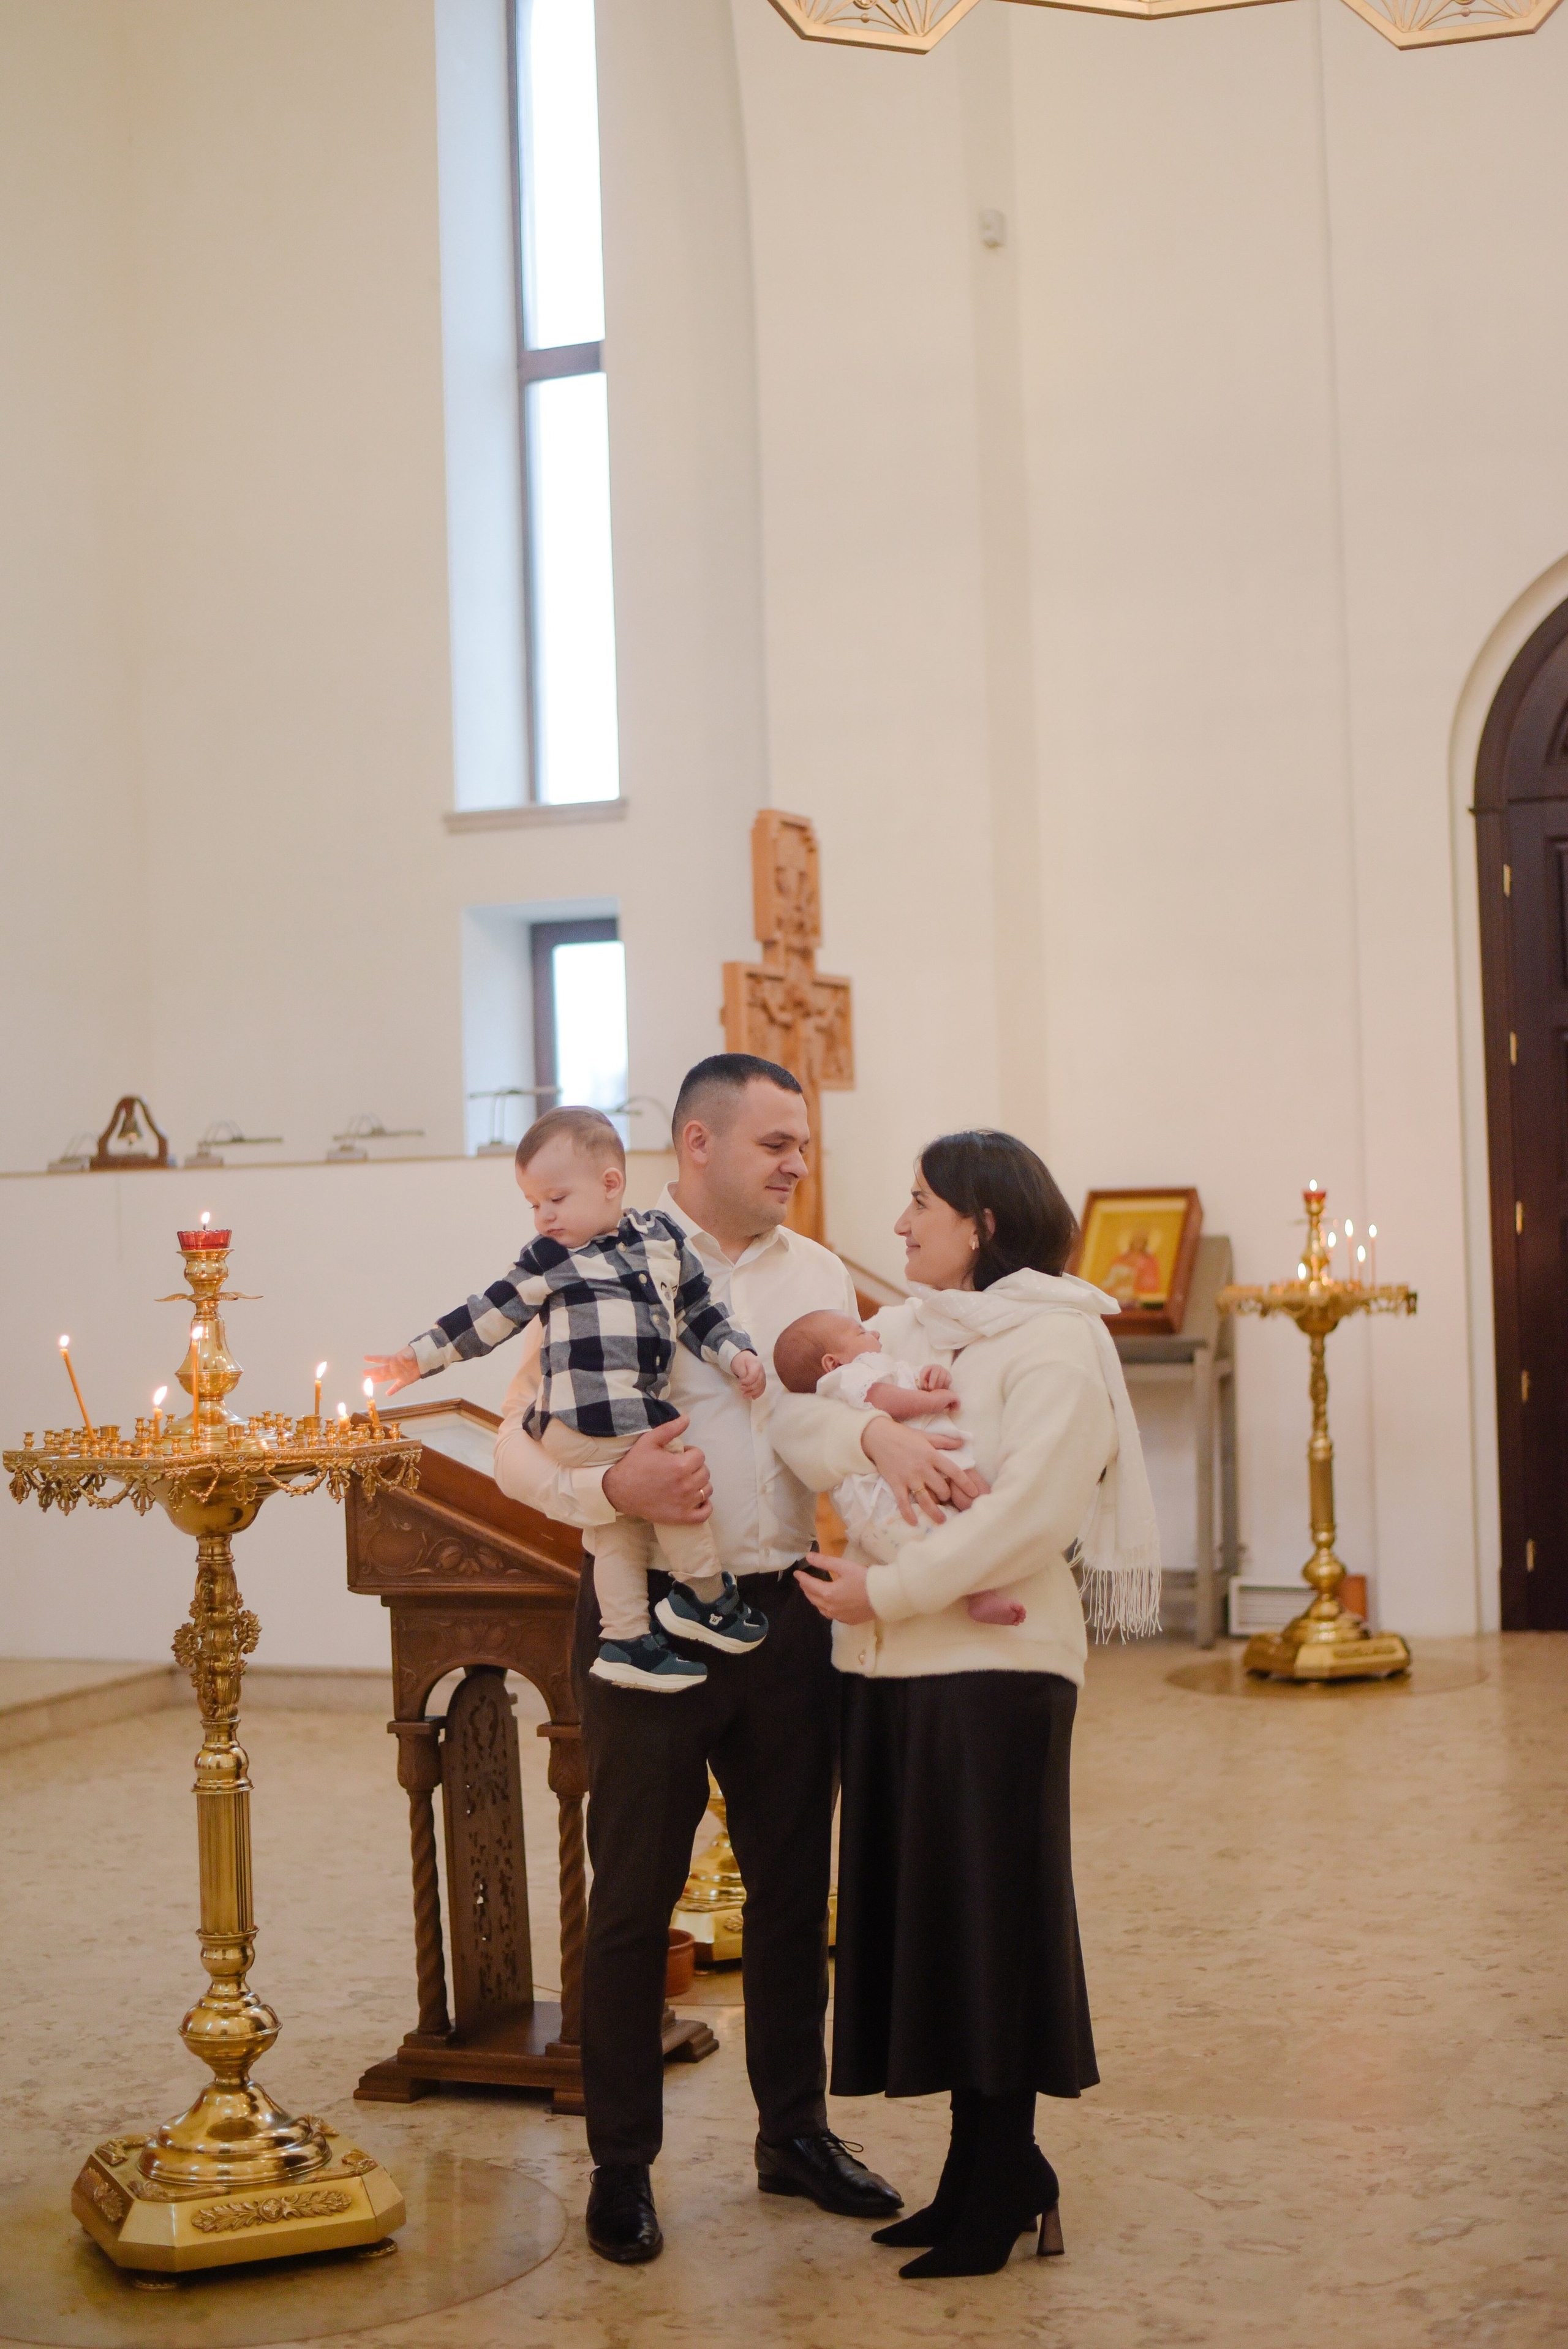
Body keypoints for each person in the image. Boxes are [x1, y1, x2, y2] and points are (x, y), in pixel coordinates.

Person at [488, 1055, 985, 2264]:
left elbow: (846, 1440)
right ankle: (622, 2164)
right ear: (696, 1147)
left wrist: (934, 1557)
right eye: (774, 1143)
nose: (797, 1162)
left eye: (801, 1141)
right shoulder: (598, 1254)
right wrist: (610, 1479)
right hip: (645, 1613)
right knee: (634, 1897)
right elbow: (514, 1446)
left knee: (786, 1892)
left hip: (782, 1612)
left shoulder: (817, 1276)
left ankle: (792, 2134)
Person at [795, 1130, 1161, 2280]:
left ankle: (1005, 2169)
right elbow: (792, 1419)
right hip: (888, 1666)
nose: (900, 1226)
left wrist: (885, 1584)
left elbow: (1030, 1515)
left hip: (999, 1679)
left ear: (982, 1224)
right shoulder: (903, 1333)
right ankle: (977, 2170)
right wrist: (873, 1433)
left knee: (993, 1923)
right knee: (928, 1928)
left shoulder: (1055, 1345)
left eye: (920, 1204)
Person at [364, 1104, 771, 1694]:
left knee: (616, 1527)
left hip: (630, 1410)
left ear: (611, 1184)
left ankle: (628, 1638)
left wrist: (736, 1354)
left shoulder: (662, 1240)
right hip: (588, 1415)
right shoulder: (550, 1258)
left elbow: (701, 1311)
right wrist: (417, 1357)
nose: (542, 1217)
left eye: (554, 1199)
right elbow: (488, 1313)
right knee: (674, 1479)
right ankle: (702, 1593)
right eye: (533, 1204)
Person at [772, 1308, 1024, 1627]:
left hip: (933, 1457)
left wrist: (931, 1376)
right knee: (944, 1532)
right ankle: (978, 1595)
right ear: (832, 1363)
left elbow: (906, 1380)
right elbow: (885, 1398)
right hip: (889, 1491)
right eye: (862, 1333)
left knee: (977, 1505)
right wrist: (931, 1402)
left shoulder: (875, 1363)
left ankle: (982, 1590)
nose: (875, 1334)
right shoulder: (848, 1377)